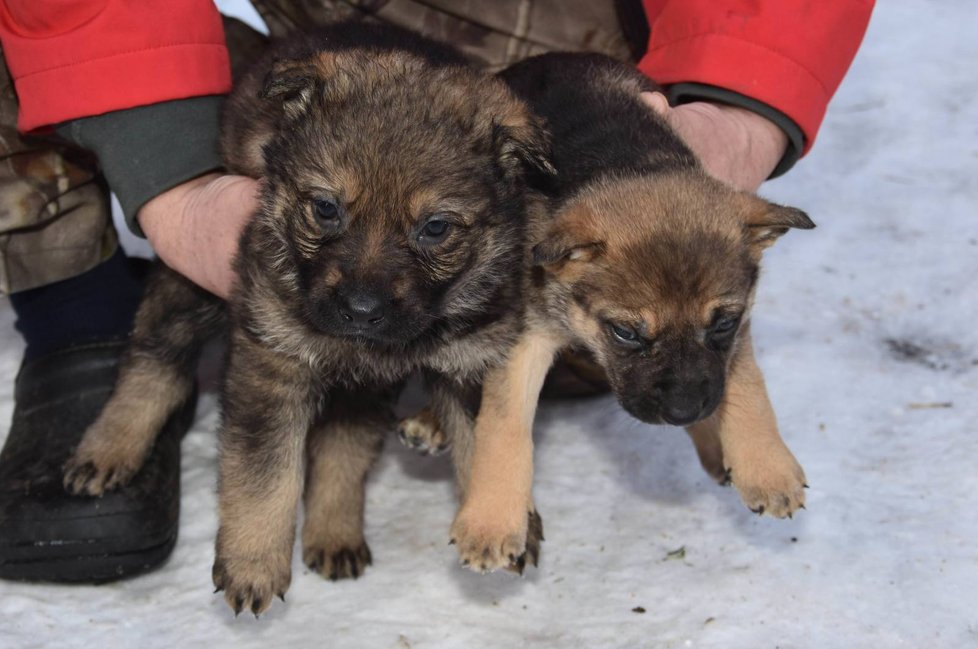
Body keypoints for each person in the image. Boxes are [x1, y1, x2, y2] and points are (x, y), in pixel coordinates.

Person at [0, 0, 874, 582]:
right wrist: (172, 176)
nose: (366, 286)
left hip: (496, 66)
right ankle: (76, 315)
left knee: (574, 328)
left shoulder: (503, 156)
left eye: (435, 231)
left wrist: (737, 99)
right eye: (324, 213)